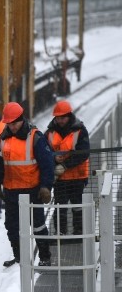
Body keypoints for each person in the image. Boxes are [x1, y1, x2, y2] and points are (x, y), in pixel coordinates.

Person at [0, 102, 54, 267]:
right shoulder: (3, 139)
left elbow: (48, 164)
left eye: (14, 123)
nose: (12, 126)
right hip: (11, 191)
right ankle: (19, 257)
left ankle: (45, 257)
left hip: (32, 190)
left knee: (38, 225)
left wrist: (45, 186)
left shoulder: (36, 137)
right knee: (12, 227)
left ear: (22, 120)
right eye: (9, 124)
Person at [44, 100, 90, 236]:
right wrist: (53, 158)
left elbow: (84, 153)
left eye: (63, 117)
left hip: (78, 176)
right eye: (58, 117)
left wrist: (64, 165)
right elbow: (44, 151)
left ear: (69, 116)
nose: (60, 120)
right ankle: (60, 232)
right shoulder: (49, 133)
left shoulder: (80, 131)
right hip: (60, 178)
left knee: (77, 206)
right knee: (60, 206)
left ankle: (79, 231)